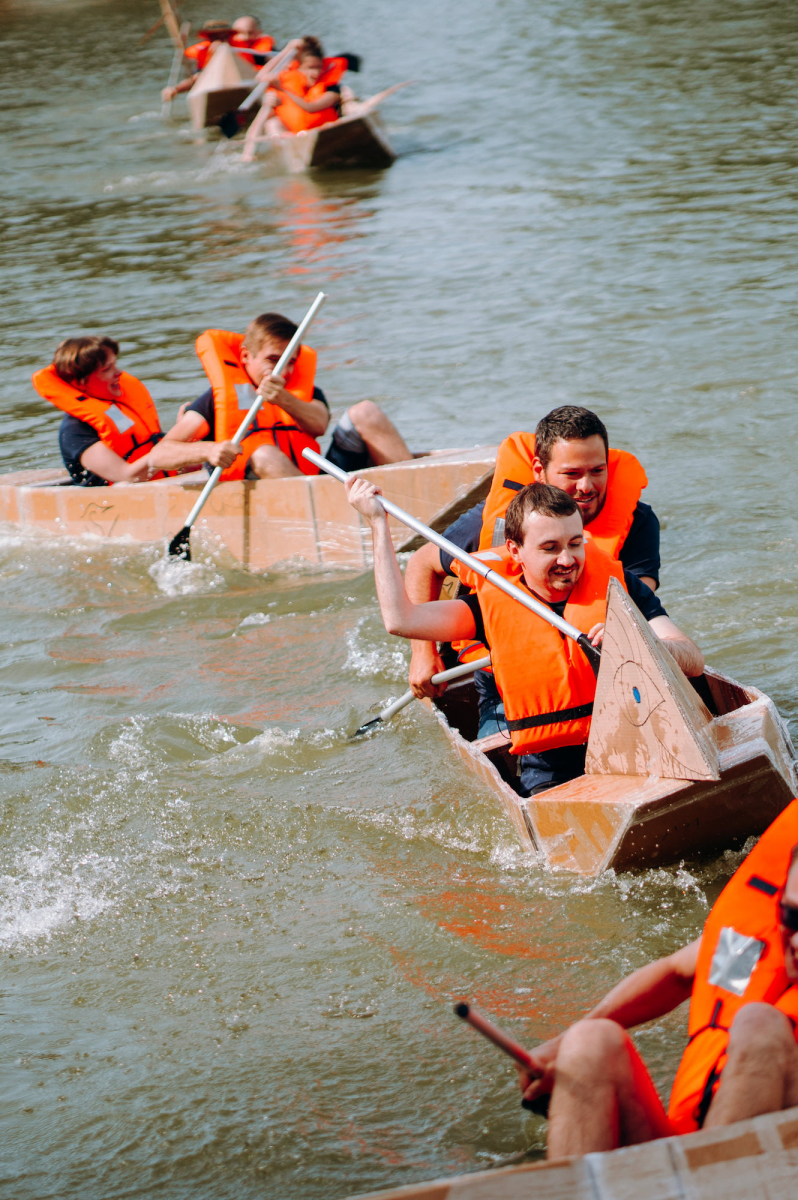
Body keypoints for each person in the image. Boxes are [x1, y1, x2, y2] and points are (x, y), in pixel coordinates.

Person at [346, 477, 702, 796]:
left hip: (637, 747)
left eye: (575, 543)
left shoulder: (621, 587)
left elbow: (692, 657)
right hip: (551, 773)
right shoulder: (489, 606)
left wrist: (641, 645)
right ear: (516, 551)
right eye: (550, 548)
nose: (568, 559)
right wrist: (378, 523)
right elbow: (400, 619)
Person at [515, 800, 798, 1157]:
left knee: (760, 1024)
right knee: (589, 1042)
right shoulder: (759, 938)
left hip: (771, 1169)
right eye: (792, 915)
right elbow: (678, 974)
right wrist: (562, 1050)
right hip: (693, 1144)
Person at [405, 407, 660, 739]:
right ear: (540, 471)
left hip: (600, 668)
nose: (587, 486)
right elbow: (421, 563)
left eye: (598, 470)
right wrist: (422, 654)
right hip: (507, 672)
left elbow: (641, 599)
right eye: (572, 473)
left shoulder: (638, 522)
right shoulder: (505, 520)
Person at [163, 312, 414, 480]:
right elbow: (160, 454)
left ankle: (415, 494)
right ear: (245, 356)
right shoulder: (213, 401)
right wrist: (208, 450)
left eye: (290, 362)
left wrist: (283, 398)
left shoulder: (300, 391)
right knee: (264, 453)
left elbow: (319, 425)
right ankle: (323, 519)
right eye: (273, 360)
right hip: (268, 491)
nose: (283, 371)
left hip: (317, 481)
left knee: (365, 411)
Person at [32, 336, 241, 486]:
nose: (119, 373)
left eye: (116, 365)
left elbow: (159, 463)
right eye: (107, 369)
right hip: (116, 502)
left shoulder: (123, 405)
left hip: (158, 486)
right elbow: (127, 476)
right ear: (80, 383)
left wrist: (183, 441)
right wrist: (167, 451)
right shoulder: (76, 431)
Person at [241, 36, 349, 160]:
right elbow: (261, 77)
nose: (315, 73)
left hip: (326, 133)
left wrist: (284, 90)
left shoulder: (331, 88)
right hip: (298, 136)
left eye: (318, 67)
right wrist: (287, 50)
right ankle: (250, 154)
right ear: (298, 68)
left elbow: (310, 108)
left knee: (349, 100)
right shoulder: (288, 83)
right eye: (310, 68)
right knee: (271, 121)